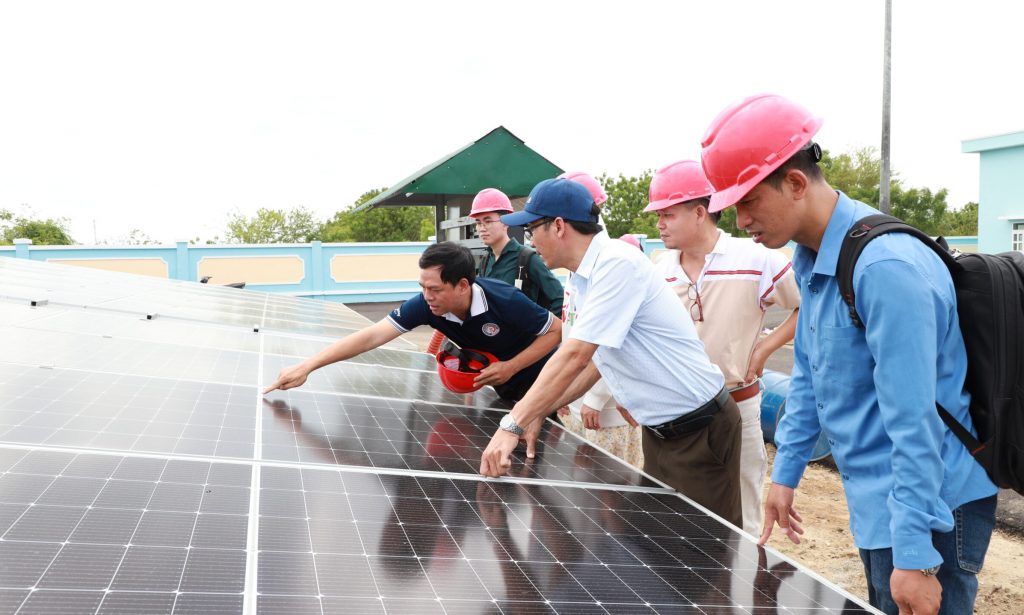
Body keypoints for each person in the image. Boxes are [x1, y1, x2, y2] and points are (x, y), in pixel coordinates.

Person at [700, 93, 998, 615]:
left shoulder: (884, 267)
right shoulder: (811, 258)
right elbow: (813, 377)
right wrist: (785, 474)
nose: (740, 220)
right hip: (879, 499)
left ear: (795, 183)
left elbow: (915, 420)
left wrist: (915, 556)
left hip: (931, 508)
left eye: (748, 202)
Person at [478, 177, 743, 528]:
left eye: (531, 230)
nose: (529, 241)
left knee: (706, 554)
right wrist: (536, 412)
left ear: (558, 226)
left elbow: (574, 354)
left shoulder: (618, 264)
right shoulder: (583, 276)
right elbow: (593, 361)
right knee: (665, 553)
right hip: (661, 432)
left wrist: (513, 423)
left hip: (699, 430)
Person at [645, 159, 801, 536]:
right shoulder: (658, 269)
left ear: (700, 213)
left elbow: (806, 305)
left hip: (738, 402)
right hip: (674, 410)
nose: (659, 224)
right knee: (675, 513)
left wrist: (764, 349)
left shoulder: (756, 258)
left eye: (667, 214)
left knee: (742, 510)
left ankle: (741, 591)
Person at [263, 241, 561, 402]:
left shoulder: (505, 299)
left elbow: (555, 332)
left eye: (435, 289)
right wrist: (306, 367)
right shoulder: (426, 306)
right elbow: (371, 336)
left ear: (462, 286)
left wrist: (511, 367)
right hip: (500, 384)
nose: (426, 296)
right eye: (422, 287)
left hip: (545, 382)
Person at [553, 172, 644, 468]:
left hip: (606, 410)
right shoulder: (576, 269)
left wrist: (596, 397)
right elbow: (571, 334)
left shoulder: (611, 265)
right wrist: (563, 393)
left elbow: (614, 344)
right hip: (579, 403)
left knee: (612, 496)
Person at [471, 188, 564, 315]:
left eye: (488, 221)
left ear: (506, 222)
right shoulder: (486, 261)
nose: (482, 228)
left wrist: (549, 331)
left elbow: (560, 298)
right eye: (478, 223)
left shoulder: (527, 258)